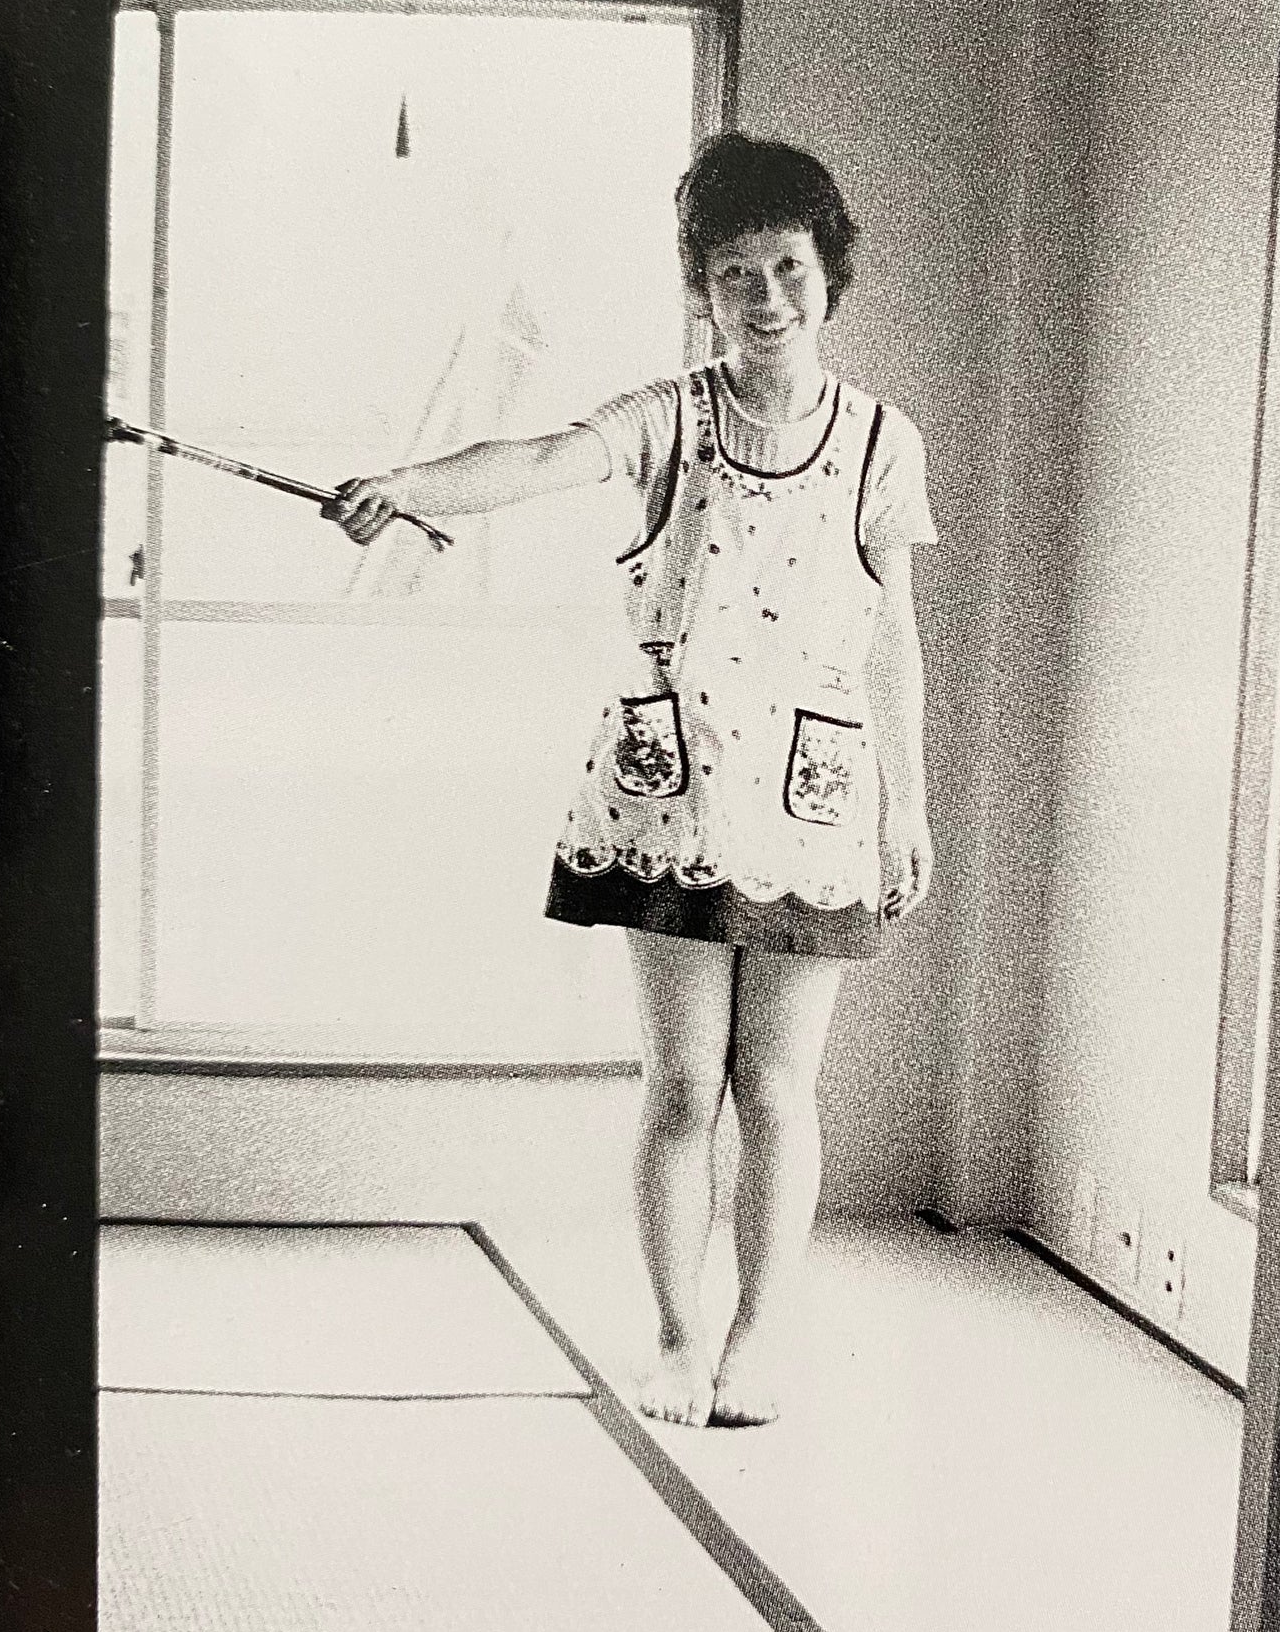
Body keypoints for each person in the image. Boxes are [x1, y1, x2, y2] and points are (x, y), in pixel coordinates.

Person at [327, 133, 937, 1429]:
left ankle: (759, 1337)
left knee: (778, 1090)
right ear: (701, 289)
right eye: (735, 274)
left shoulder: (884, 441)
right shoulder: (667, 418)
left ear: (828, 273)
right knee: (680, 1085)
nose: (766, 298)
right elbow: (535, 458)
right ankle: (674, 1337)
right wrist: (405, 484)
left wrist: (909, 801)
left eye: (788, 267)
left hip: (817, 799)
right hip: (670, 795)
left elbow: (893, 635)